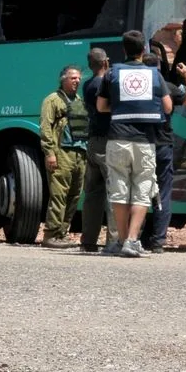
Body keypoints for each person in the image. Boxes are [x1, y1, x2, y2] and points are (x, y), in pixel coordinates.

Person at [97, 30, 170, 258]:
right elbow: (167, 107)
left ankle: (118, 241)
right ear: (143, 51)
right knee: (142, 190)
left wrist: (119, 108)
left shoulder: (112, 73)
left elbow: (101, 107)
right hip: (144, 141)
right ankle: (132, 240)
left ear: (124, 50)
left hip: (117, 138)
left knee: (118, 189)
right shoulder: (155, 76)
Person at [141, 45, 186, 253]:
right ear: (159, 67)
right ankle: (157, 241)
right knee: (162, 193)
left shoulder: (134, 88)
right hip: (163, 145)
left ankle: (133, 237)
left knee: (137, 191)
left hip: (139, 144)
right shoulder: (168, 87)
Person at [38, 64, 87, 249]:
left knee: (74, 196)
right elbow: (45, 128)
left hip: (80, 154)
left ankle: (62, 234)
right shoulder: (52, 100)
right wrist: (49, 153)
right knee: (59, 195)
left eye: (78, 78)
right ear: (63, 79)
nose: (77, 81)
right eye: (73, 78)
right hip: (62, 153)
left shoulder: (79, 100)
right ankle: (51, 234)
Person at [79, 47, 113, 253]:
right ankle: (113, 240)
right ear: (105, 63)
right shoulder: (104, 84)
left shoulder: (87, 84)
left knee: (92, 194)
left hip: (93, 141)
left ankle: (88, 240)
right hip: (107, 142)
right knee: (113, 192)